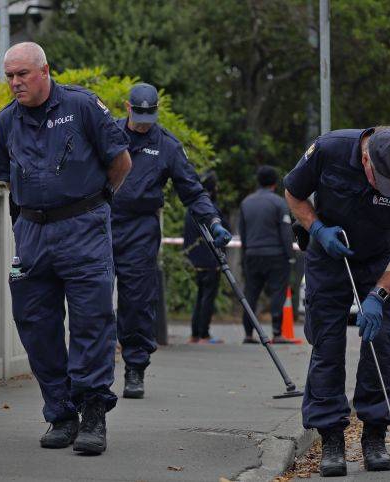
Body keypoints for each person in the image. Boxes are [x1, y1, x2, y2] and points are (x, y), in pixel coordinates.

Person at [0, 42, 132, 455]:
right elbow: (5, 176)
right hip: (32, 234)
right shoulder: (5, 123)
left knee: (91, 320)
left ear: (45, 71)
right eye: (10, 76)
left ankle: (92, 414)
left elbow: (120, 162)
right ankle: (61, 412)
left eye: (23, 74)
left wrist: (96, 204)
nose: (15, 83)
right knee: (33, 321)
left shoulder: (82, 106)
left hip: (83, 228)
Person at [284, 127, 390, 476]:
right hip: (329, 251)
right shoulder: (328, 149)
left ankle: (375, 435)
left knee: (381, 343)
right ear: (366, 159)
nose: (384, 189)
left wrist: (379, 295)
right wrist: (316, 228)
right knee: (328, 345)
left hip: (382, 256)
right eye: (378, 179)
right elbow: (293, 193)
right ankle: (332, 439)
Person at [111, 83, 232, 399]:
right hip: (101, 222)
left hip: (140, 228)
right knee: (92, 298)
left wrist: (213, 221)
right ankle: (90, 372)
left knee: (137, 301)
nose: (143, 121)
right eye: (138, 114)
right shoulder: (106, 131)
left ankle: (135, 368)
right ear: (127, 107)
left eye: (149, 115)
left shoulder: (167, 146)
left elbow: (192, 190)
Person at [239, 165, 295, 344]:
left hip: (252, 254)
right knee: (278, 292)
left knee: (251, 293)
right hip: (276, 255)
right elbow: (286, 232)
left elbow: (243, 233)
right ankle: (277, 332)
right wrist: (290, 254)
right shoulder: (279, 203)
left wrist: (245, 255)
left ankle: (248, 333)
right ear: (274, 182)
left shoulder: (246, 202)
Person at [183, 170, 226, 344]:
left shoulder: (192, 209)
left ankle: (195, 333)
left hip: (196, 259)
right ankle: (204, 334)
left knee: (200, 297)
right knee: (208, 297)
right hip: (210, 258)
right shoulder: (210, 209)